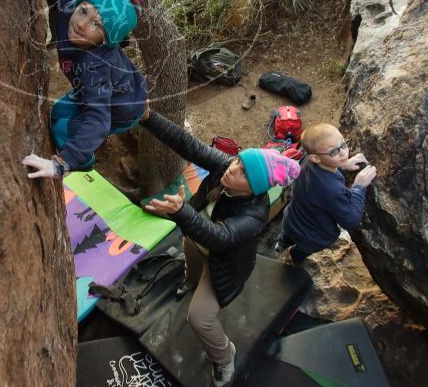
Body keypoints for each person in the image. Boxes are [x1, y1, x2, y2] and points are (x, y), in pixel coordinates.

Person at [140, 106, 300, 387]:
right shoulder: (227, 167)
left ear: (254, 189)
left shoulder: (253, 216)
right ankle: (190, 282)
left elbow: (219, 238)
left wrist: (181, 213)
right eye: (238, 162)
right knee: (191, 266)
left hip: (224, 263)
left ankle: (224, 356)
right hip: (194, 239)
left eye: (243, 173)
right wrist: (150, 118)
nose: (233, 169)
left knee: (200, 318)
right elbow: (188, 145)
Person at [0, 0, 149, 180]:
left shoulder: (96, 67)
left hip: (119, 109)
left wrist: (62, 163)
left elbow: (98, 120)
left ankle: (85, 160)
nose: (81, 23)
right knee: (57, 112)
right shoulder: (69, 8)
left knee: (62, 128)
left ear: (105, 40)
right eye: (84, 11)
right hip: (119, 86)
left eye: (97, 25)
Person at [278, 123, 377, 265]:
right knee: (300, 252)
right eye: (333, 152)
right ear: (316, 158)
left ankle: (282, 243)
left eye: (343, 144)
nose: (344, 152)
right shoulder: (333, 190)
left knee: (289, 236)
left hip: (291, 219)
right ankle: (293, 261)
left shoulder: (308, 161)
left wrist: (342, 166)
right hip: (312, 237)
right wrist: (358, 188)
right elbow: (351, 221)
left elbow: (320, 179)